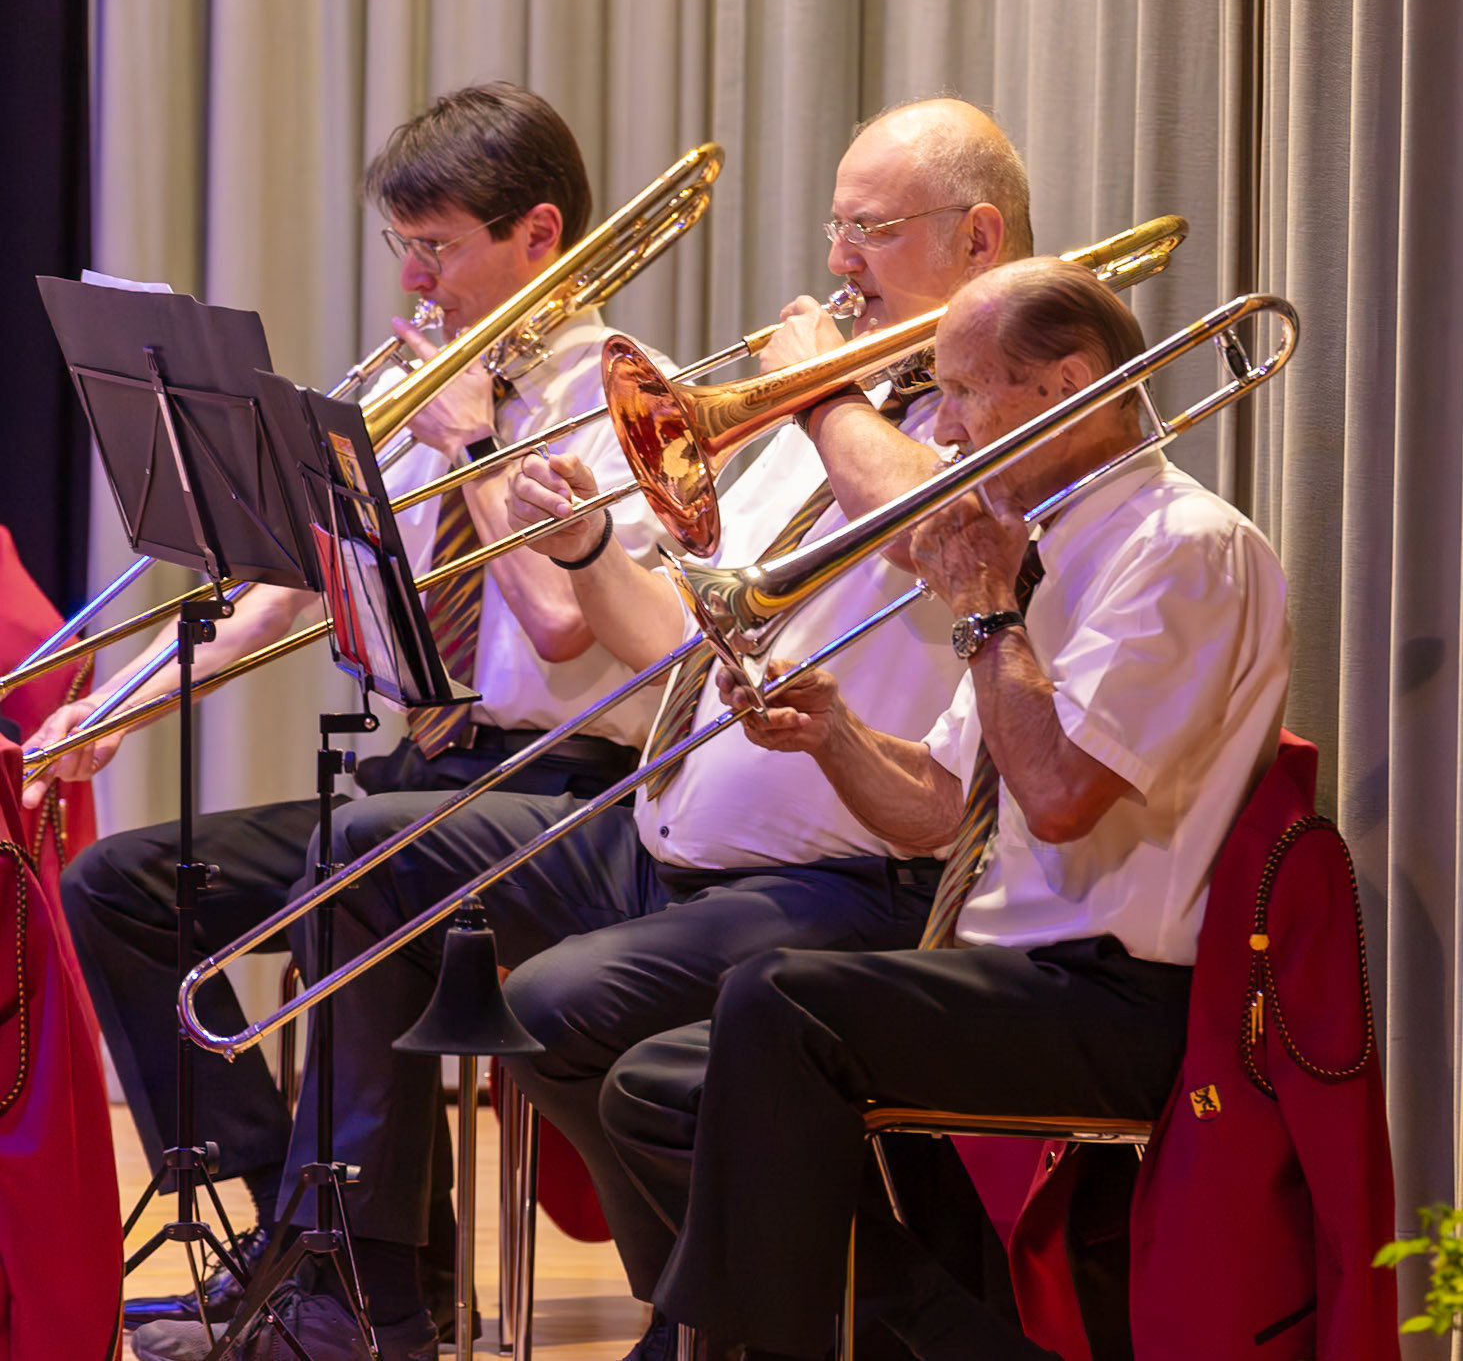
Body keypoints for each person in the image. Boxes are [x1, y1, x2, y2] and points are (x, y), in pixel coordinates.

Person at [128, 98, 1036, 1361]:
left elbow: (936, 533)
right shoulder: (817, 417)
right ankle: (358, 1281)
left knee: (560, 1010)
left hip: (839, 862)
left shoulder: (1003, 409)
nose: (835, 262)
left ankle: (761, 1318)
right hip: (670, 822)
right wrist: (588, 541)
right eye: (835, 226)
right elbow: (663, 627)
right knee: (356, 871)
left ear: (976, 238)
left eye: (867, 231)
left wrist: (806, 398)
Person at [40, 82, 677, 1343]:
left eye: (437, 247)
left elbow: (559, 621)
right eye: (403, 247)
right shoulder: (434, 388)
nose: (415, 278)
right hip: (430, 775)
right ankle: (284, 1226)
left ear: (538, 235)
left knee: (360, 857)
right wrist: (108, 708)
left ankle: (362, 1290)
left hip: (563, 792)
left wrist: (483, 439)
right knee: (121, 883)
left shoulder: (617, 399)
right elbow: (278, 590)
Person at [605, 256, 1293, 1360]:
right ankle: (942, 1339)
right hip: (1011, 970)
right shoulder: (1052, 549)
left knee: (776, 1001)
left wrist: (981, 606)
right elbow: (936, 809)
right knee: (652, 1084)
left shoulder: (1182, 548)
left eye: (965, 391)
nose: (948, 429)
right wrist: (829, 728)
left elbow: (1061, 798)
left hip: (1119, 994)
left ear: (1067, 381)